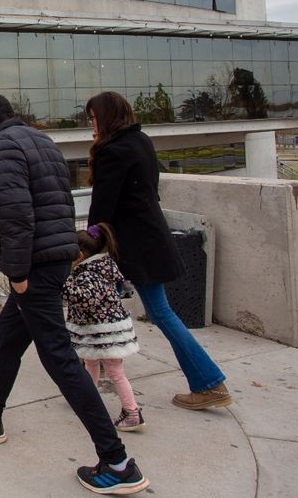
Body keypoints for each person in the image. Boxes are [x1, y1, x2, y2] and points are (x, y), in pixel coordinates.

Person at [0, 92, 148, 496]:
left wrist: (18, 274)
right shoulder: (42, 141)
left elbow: (15, 214)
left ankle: (117, 461)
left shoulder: (1, 147)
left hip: (34, 266)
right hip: (55, 257)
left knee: (59, 358)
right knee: (8, 336)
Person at [84, 90, 232, 412]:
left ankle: (208, 382)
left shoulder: (114, 151)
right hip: (150, 238)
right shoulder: (140, 141)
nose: (91, 124)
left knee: (149, 312)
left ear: (106, 117)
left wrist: (87, 243)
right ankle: (93, 373)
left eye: (93, 117)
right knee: (144, 311)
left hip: (133, 246)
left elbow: (103, 208)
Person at [64, 222, 144, 432]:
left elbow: (84, 299)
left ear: (79, 255)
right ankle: (87, 399)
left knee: (115, 371)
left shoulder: (89, 274)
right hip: (103, 331)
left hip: (104, 332)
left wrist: (63, 285)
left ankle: (132, 411)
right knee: (90, 363)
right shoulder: (103, 267)